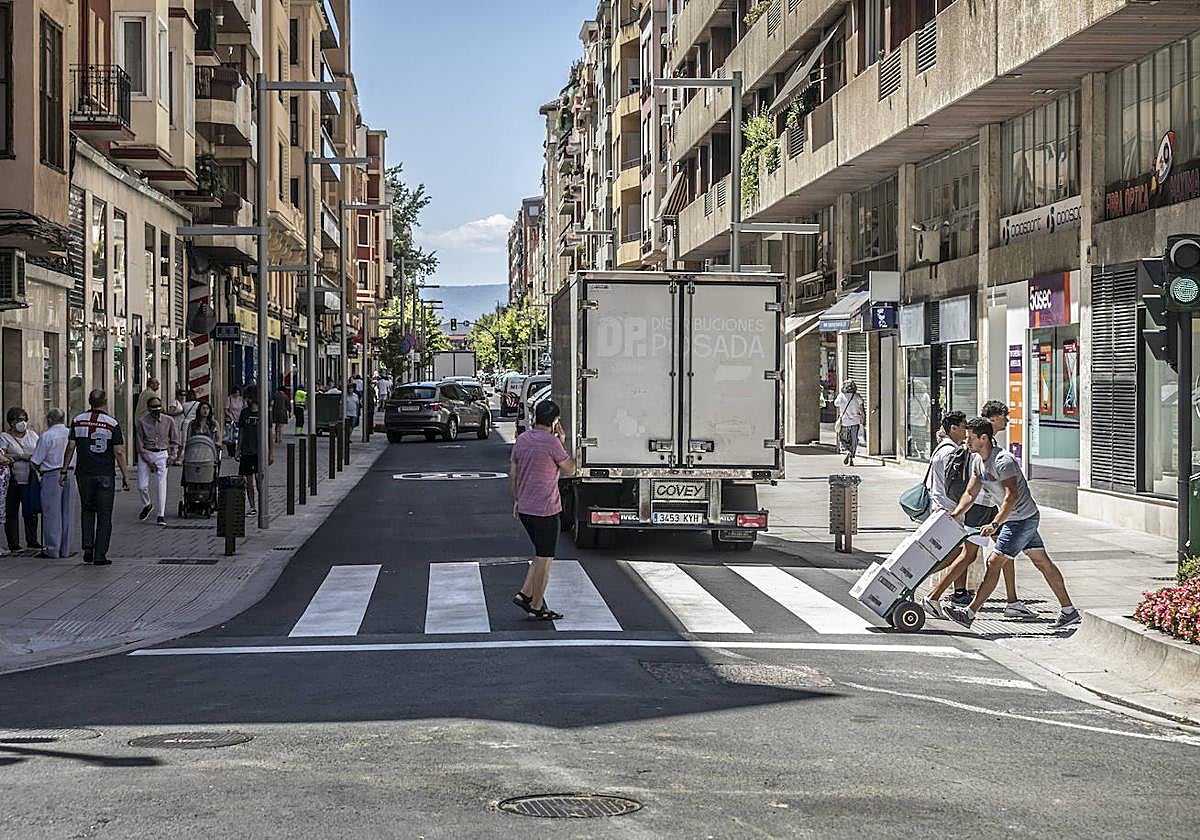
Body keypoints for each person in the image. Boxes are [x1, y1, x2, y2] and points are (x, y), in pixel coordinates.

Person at [944, 418, 1080, 629]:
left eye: (970, 438)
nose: (966, 441)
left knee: (994, 562)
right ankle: (1069, 611)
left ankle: (969, 614)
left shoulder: (1003, 461)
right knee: (1042, 562)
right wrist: (955, 515)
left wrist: (995, 524)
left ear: (983, 438)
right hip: (1019, 518)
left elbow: (1011, 496)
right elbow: (970, 493)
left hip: (1020, 520)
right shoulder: (978, 461)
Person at [510, 400, 576, 621]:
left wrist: (517, 499)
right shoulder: (552, 443)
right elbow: (570, 469)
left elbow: (513, 473)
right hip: (546, 510)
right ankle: (537, 606)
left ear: (535, 416)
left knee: (540, 552)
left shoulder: (522, 439)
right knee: (546, 559)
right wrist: (562, 442)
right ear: (555, 421)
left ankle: (524, 594)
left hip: (525, 508)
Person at [61, 391, 130, 565]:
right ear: (105, 402)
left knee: (87, 510)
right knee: (104, 515)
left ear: (89, 401)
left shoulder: (78, 420)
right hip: (105, 474)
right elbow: (119, 451)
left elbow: (70, 447)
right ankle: (100, 554)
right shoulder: (112, 423)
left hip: (84, 473)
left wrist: (64, 470)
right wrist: (125, 475)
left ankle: (88, 547)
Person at [31, 409, 74, 558]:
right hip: (70, 472)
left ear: (49, 420)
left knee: (51, 512)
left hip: (52, 474)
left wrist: (38, 470)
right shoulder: (70, 433)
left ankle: (52, 548)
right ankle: (65, 549)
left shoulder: (47, 436)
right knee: (67, 512)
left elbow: (36, 460)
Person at [134, 396, 180, 526]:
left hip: (162, 453)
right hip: (146, 453)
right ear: (148, 408)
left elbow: (174, 440)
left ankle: (161, 515)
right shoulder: (142, 422)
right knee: (142, 486)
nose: (157, 409)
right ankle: (147, 504)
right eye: (154, 407)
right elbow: (139, 444)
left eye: (159, 406)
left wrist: (172, 456)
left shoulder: (168, 420)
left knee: (161, 484)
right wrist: (148, 461)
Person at [1, 407, 41, 552]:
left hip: (30, 478)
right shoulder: (4, 437)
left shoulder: (32, 435)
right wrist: (19, 457)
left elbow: (40, 451)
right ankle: (13, 543)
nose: (21, 423)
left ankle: (32, 540)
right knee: (11, 511)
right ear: (11, 422)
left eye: (23, 419)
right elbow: (2, 455)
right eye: (18, 420)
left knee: (31, 510)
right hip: (12, 479)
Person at [236, 391, 272, 517]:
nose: (246, 400)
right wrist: (238, 449)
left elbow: (270, 434)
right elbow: (241, 432)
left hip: (259, 451)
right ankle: (252, 506)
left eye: (248, 397)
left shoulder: (264, 413)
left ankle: (262, 504)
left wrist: (270, 453)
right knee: (248, 481)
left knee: (259, 479)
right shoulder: (244, 413)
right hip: (246, 451)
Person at [834, 381, 865, 466]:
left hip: (844, 422)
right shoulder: (857, 396)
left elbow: (836, 404)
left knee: (843, 439)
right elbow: (861, 409)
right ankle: (851, 457)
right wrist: (863, 418)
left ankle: (847, 450)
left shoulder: (841, 396)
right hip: (855, 421)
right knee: (854, 440)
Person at [223, 385, 245, 457]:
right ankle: (231, 452)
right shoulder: (229, 399)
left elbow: (244, 407)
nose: (237, 395)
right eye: (236, 393)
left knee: (237, 436)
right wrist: (230, 416)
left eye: (238, 393)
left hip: (239, 419)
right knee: (230, 436)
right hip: (230, 420)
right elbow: (226, 409)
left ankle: (236, 450)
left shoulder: (241, 399)